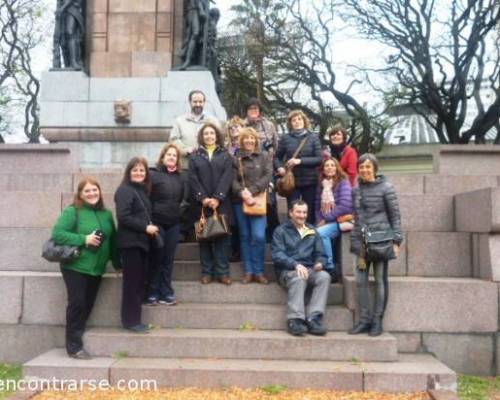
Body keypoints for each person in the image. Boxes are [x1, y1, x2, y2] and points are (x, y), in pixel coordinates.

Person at [52, 177, 120, 359]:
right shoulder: (73, 211)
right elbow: (57, 234)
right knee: (78, 303)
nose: (92, 193)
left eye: (95, 190)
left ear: (100, 192)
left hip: (97, 269)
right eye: (87, 191)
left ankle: (77, 334)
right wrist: (84, 239)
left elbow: (113, 241)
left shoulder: (106, 214)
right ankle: (73, 346)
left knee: (87, 304)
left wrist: (117, 264)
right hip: (75, 266)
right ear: (80, 195)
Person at [348, 154, 403, 337]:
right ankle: (364, 319)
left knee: (380, 280)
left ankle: (377, 320)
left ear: (375, 169)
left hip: (380, 240)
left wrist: (396, 240)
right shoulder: (356, 190)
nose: (364, 170)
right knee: (361, 282)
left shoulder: (387, 188)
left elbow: (395, 216)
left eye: (368, 167)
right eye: (361, 167)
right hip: (361, 243)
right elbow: (355, 215)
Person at [272, 200, 330, 336]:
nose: (302, 215)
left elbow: (321, 254)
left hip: (309, 269)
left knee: (324, 277)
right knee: (299, 278)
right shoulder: (280, 231)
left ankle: (313, 318)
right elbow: (277, 255)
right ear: (291, 213)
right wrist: (295, 264)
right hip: (288, 271)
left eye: (304, 212)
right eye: (298, 212)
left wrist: (320, 263)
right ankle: (295, 320)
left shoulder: (311, 230)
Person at [114, 158, 159, 333]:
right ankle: (130, 321)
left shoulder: (141, 191)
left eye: (142, 171)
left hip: (141, 243)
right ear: (128, 172)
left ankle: (134, 319)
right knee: (132, 284)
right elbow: (123, 217)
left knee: (139, 282)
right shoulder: (125, 190)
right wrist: (145, 227)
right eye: (135, 170)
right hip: (130, 243)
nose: (138, 173)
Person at [189, 122, 234, 284]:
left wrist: (217, 197)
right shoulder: (194, 157)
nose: (209, 136)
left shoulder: (226, 155)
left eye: (212, 133)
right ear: (202, 136)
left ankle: (223, 272)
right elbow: (193, 179)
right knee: (204, 239)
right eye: (206, 133)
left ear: (217, 136)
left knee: (222, 239)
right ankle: (207, 272)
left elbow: (227, 177)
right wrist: (204, 198)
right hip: (202, 205)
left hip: (221, 203)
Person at [145, 144, 185, 306]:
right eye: (168, 155)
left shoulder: (180, 177)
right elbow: (147, 198)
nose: (171, 157)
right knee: (157, 258)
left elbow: (181, 199)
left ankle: (166, 292)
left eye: (174, 155)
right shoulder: (153, 175)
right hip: (157, 223)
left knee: (168, 260)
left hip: (173, 224)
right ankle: (152, 292)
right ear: (162, 157)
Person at [232, 128, 272, 284]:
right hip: (240, 201)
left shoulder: (264, 156)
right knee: (245, 236)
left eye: (252, 138)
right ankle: (249, 271)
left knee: (259, 236)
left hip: (258, 201)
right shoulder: (236, 158)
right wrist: (242, 192)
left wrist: (252, 191)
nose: (249, 140)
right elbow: (232, 179)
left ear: (256, 140)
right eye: (246, 138)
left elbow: (268, 175)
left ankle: (259, 271)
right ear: (241, 140)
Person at [274, 110, 322, 224]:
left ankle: (309, 237)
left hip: (310, 181)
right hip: (292, 182)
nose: (297, 122)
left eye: (299, 119)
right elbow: (276, 158)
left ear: (304, 121)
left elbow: (319, 159)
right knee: (293, 211)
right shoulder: (285, 138)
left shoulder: (313, 137)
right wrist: (280, 167)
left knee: (308, 212)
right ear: (290, 123)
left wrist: (299, 161)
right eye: (294, 120)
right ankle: (293, 237)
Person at [243, 98, 280, 240]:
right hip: (247, 169)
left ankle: (273, 234)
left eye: (256, 109)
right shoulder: (241, 125)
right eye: (250, 109)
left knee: (270, 202)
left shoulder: (268, 125)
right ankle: (255, 235)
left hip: (266, 168)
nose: (253, 111)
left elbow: (277, 145)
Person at [315, 158, 353, 282]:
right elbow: (317, 205)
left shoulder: (343, 182)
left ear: (337, 168)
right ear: (323, 169)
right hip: (326, 220)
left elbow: (345, 206)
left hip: (341, 220)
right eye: (327, 165)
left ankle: (330, 267)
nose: (330, 167)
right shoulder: (322, 184)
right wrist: (319, 219)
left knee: (321, 233)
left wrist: (326, 219)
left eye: (332, 165)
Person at [170, 90, 220, 168]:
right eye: (195, 102)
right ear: (190, 102)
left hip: (208, 166)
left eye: (200, 102)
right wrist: (186, 150)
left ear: (204, 102)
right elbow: (173, 140)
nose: (198, 104)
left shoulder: (213, 121)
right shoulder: (179, 121)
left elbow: (220, 140)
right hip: (186, 166)